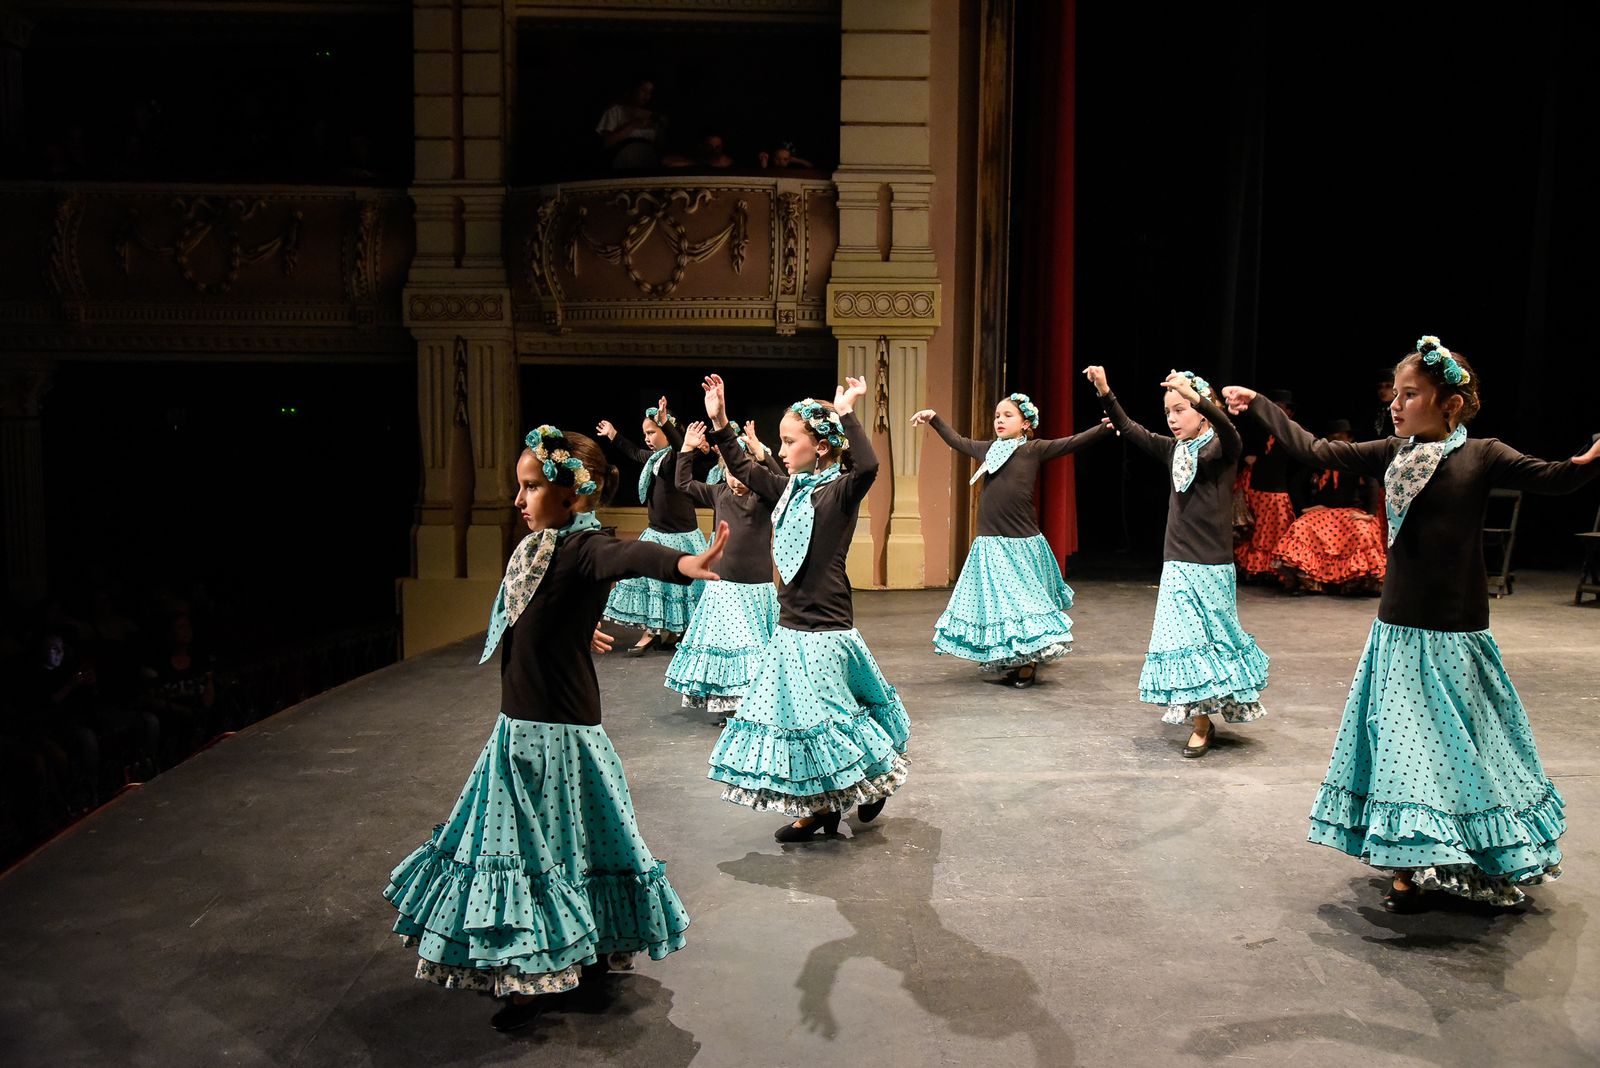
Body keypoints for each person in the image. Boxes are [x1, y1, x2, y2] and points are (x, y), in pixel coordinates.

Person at [1223, 335, 1600, 910]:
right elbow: (1315, 449)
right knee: (1406, 747)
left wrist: (1587, 462)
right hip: (1399, 629)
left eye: (1411, 395)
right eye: (1395, 394)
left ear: (1450, 404)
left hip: (1456, 632)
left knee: (1460, 749)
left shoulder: (1483, 455)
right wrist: (1260, 405)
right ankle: (1407, 863)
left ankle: (1465, 849)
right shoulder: (1391, 452)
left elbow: (1553, 476)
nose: (1396, 405)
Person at [383, 424, 728, 1031]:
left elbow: (628, 555)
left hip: (556, 733)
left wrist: (682, 562)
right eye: (519, 486)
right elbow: (537, 607)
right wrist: (572, 626)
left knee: (543, 852)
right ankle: (565, 949)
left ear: (572, 493)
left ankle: (532, 972)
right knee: (556, 848)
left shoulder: (582, 546)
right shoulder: (539, 549)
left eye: (532, 487)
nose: (519, 499)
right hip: (520, 726)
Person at [700, 374, 911, 841]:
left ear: (820, 446)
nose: (780, 450)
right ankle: (820, 808)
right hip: (789, 623)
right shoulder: (789, 490)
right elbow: (746, 468)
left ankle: (873, 780)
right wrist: (719, 422)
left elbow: (869, 466)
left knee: (832, 718)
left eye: (789, 441)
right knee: (796, 720)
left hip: (826, 624)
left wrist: (847, 412)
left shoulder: (838, 493)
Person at [1085, 365, 1270, 757]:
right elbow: (1131, 429)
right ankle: (1200, 723)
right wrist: (1104, 389)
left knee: (1215, 642)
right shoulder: (1174, 450)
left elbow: (1230, 429)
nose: (1172, 418)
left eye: (1180, 409)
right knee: (1185, 642)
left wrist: (1196, 395)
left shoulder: (1222, 448)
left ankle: (1214, 709)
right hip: (1177, 564)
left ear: (1201, 411)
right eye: (1168, 411)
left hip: (1213, 565)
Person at [910, 393, 1110, 686]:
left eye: (1008, 415)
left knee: (1022, 603)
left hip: (1021, 541)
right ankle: (1014, 657)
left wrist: (1103, 428)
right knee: (1000, 605)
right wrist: (934, 419)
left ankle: (1028, 661)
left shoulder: (1033, 450)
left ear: (1025, 423)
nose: (1000, 420)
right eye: (997, 416)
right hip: (991, 541)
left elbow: (1070, 442)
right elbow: (958, 441)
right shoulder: (988, 450)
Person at [662, 420, 783, 724]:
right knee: (730, 646)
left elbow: (784, 484)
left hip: (756, 588)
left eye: (741, 474)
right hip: (724, 587)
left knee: (754, 649)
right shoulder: (719, 494)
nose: (736, 480)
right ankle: (728, 703)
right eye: (730, 473)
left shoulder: (764, 497)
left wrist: (762, 453)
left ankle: (754, 702)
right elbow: (683, 484)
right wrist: (686, 449)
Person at [596, 398, 707, 655]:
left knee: (678, 584)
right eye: (645, 433)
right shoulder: (655, 459)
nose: (647, 438)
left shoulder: (678, 457)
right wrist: (613, 435)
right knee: (652, 582)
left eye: (651, 432)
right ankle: (653, 631)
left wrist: (665, 422)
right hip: (657, 531)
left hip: (680, 534)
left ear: (666, 432)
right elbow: (634, 453)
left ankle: (673, 631)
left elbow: (679, 444)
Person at [1271, 419, 1386, 594]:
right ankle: (1310, 582)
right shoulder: (1321, 460)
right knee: (1301, 527)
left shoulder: (1357, 459)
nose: (1337, 441)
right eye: (1333, 438)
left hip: (1350, 511)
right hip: (1324, 511)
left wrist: (1369, 513)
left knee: (1362, 531)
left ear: (1349, 439)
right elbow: (1296, 483)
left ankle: (1354, 582)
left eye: (1341, 437)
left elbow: (1372, 484)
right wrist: (1304, 507)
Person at [1235, 389, 1302, 583]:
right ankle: (1254, 570)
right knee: (1254, 531)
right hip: (1254, 487)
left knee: (1274, 533)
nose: (1276, 411)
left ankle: (1273, 572)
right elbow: (1242, 446)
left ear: (1289, 412)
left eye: (1280, 408)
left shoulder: (1293, 432)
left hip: (1276, 491)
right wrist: (1248, 457)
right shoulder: (1260, 428)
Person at [595, 79, 664, 171]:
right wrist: (632, 125)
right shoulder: (615, 111)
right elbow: (606, 142)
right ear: (633, 89)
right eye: (643, 90)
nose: (646, 95)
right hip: (624, 161)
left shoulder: (652, 116)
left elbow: (658, 147)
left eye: (650, 92)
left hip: (648, 162)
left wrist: (662, 128)